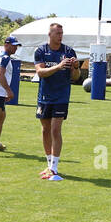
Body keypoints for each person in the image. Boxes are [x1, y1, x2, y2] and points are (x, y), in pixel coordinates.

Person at [32, 22, 77, 179]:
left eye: (62, 33)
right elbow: (40, 72)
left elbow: (75, 78)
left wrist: (75, 68)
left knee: (55, 129)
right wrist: (58, 66)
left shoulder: (69, 52)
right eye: (57, 33)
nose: (60, 35)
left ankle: (55, 168)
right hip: (44, 96)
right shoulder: (41, 51)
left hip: (61, 96)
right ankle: (49, 164)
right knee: (45, 130)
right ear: (50, 34)